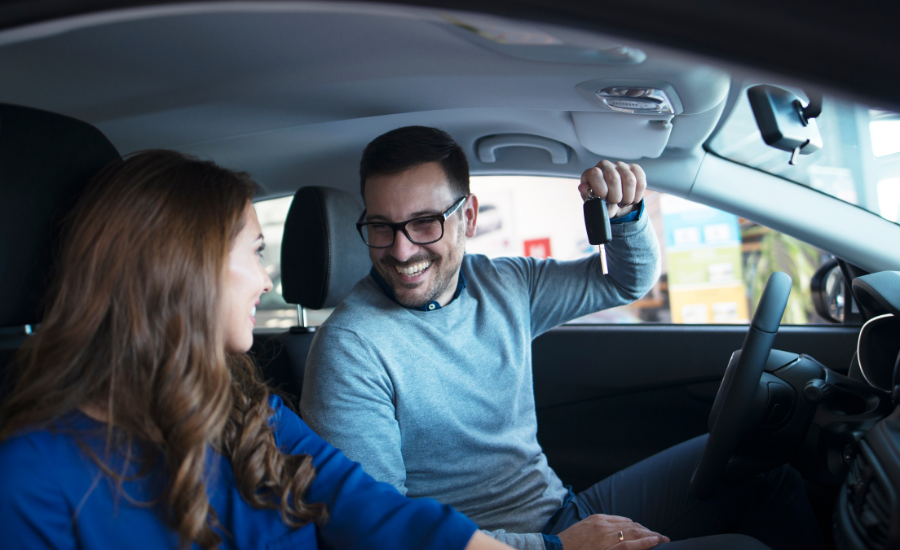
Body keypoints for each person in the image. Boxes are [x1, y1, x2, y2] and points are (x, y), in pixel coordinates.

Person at [300, 126, 826, 550]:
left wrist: (625, 217)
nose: (400, 249)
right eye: (381, 227)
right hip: (500, 546)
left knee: (764, 469)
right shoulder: (351, 347)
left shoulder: (503, 283)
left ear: (469, 217)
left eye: (424, 223)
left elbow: (624, 280)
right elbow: (377, 533)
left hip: (565, 510)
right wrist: (554, 548)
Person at [0, 150, 514, 550]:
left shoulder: (248, 410)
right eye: (255, 252)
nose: (266, 283)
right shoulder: (30, 480)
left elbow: (374, 511)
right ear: (187, 268)